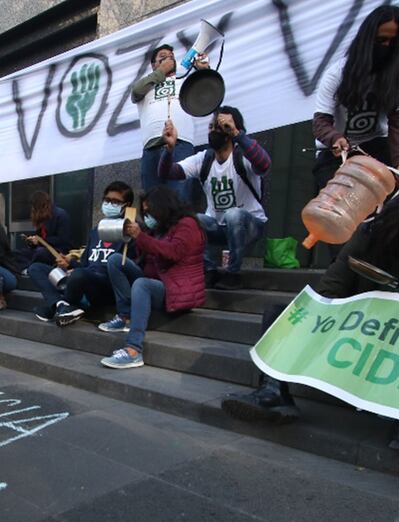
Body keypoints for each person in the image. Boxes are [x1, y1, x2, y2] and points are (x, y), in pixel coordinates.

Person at [222, 180, 399, 459]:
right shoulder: (374, 232)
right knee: (287, 312)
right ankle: (273, 391)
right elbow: (330, 289)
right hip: (369, 329)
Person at [312, 5, 399, 207]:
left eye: (392, 42)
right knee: (334, 204)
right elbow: (320, 122)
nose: (386, 46)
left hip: (376, 146)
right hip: (337, 152)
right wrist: (335, 138)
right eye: (381, 40)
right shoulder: (337, 73)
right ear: (368, 40)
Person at [160, 105, 271, 289]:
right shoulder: (204, 159)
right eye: (211, 127)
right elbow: (168, 173)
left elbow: (265, 165)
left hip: (249, 226)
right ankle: (209, 270)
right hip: (219, 227)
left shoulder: (243, 155)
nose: (213, 131)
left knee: (233, 214)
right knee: (190, 220)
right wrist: (169, 150)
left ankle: (233, 274)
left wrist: (238, 134)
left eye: (219, 127)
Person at [99, 187, 205, 368]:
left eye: (150, 211)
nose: (148, 216)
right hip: (158, 281)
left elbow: (173, 252)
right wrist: (133, 236)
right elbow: (147, 254)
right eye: (145, 212)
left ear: (163, 208)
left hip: (177, 289)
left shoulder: (187, 225)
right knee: (116, 260)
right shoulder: (159, 227)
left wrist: (141, 236)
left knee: (142, 284)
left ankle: (133, 349)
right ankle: (125, 316)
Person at [30, 182, 134, 325]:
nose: (109, 204)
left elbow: (127, 271)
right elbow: (84, 265)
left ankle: (58, 307)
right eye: (107, 200)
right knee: (36, 268)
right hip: (84, 278)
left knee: (79, 275)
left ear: (126, 205)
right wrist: (69, 263)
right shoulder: (96, 230)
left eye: (115, 202)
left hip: (104, 287)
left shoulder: (130, 235)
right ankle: (61, 305)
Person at [130, 44, 208, 201]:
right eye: (163, 57)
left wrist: (203, 70)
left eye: (171, 56)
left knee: (179, 198)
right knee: (152, 201)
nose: (169, 59)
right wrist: (161, 71)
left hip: (181, 144)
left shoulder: (184, 79)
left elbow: (207, 92)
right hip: (152, 147)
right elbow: (136, 91)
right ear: (154, 65)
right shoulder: (147, 85)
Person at [22, 191, 71, 268]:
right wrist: (32, 242)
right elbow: (39, 237)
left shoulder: (61, 215)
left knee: (40, 253)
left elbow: (63, 240)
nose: (32, 209)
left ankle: (29, 268)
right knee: (20, 253)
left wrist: (40, 241)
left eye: (34, 207)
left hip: (58, 250)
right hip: (43, 248)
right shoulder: (42, 217)